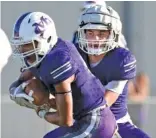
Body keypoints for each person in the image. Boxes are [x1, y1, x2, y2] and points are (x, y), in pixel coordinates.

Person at [9, 11, 116, 138]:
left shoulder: (58, 60)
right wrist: (16, 92)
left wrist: (41, 111)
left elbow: (65, 120)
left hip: (95, 121)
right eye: (20, 45)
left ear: (46, 39)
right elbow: (20, 81)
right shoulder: (40, 56)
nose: (22, 50)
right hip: (84, 119)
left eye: (27, 45)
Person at [75, 5, 150, 138]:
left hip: (117, 121)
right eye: (90, 32)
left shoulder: (121, 58)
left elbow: (105, 104)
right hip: (81, 121)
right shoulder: (75, 53)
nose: (95, 39)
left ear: (113, 34)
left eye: (101, 33)